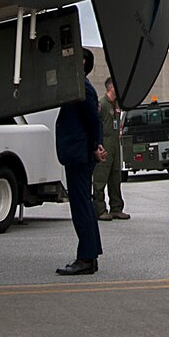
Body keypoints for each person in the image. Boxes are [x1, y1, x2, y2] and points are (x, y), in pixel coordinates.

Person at [54, 49, 106, 275]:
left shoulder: (82, 88)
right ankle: (90, 255)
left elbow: (93, 121)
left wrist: (95, 146)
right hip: (79, 153)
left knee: (81, 205)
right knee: (84, 204)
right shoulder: (78, 87)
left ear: (83, 62)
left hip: (79, 154)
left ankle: (85, 258)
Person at [93, 77, 129, 221]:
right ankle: (100, 209)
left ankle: (116, 208)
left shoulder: (117, 104)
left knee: (115, 177)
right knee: (100, 178)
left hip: (115, 144)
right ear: (111, 87)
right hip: (104, 144)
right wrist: (97, 144)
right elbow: (94, 124)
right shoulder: (101, 104)